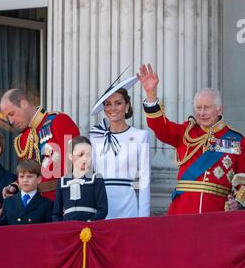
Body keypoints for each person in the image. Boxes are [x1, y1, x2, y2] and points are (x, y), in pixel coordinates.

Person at [138, 63, 245, 214]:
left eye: (207, 107)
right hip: (182, 211)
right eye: (198, 108)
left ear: (220, 109)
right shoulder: (185, 132)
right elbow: (160, 127)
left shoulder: (236, 140)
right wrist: (151, 93)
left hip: (217, 212)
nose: (202, 112)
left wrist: (239, 203)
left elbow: (243, 179)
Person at [0, 89, 80, 201]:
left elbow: (76, 166)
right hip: (33, 208)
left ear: (23, 103)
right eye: (8, 117)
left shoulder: (59, 121)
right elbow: (29, 173)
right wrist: (16, 186)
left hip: (59, 204)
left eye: (12, 114)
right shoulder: (22, 139)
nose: (11, 121)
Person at [89, 76, 151, 219]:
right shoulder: (95, 137)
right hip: (99, 206)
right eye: (108, 104)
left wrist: (143, 219)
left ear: (127, 105)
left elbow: (143, 182)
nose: (113, 108)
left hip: (127, 207)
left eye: (118, 103)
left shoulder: (140, 136)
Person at [52, 136, 108, 221]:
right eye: (81, 154)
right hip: (67, 227)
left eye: (88, 155)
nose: (85, 158)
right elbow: (56, 213)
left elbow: (103, 209)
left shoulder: (96, 178)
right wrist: (61, 227)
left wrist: (90, 223)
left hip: (89, 227)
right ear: (70, 156)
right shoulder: (63, 181)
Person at [0, 160, 53, 226]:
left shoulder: (47, 204)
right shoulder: (8, 202)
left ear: (39, 179)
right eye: (21, 177)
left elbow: (49, 231)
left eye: (29, 176)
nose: (25, 180)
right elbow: (3, 230)